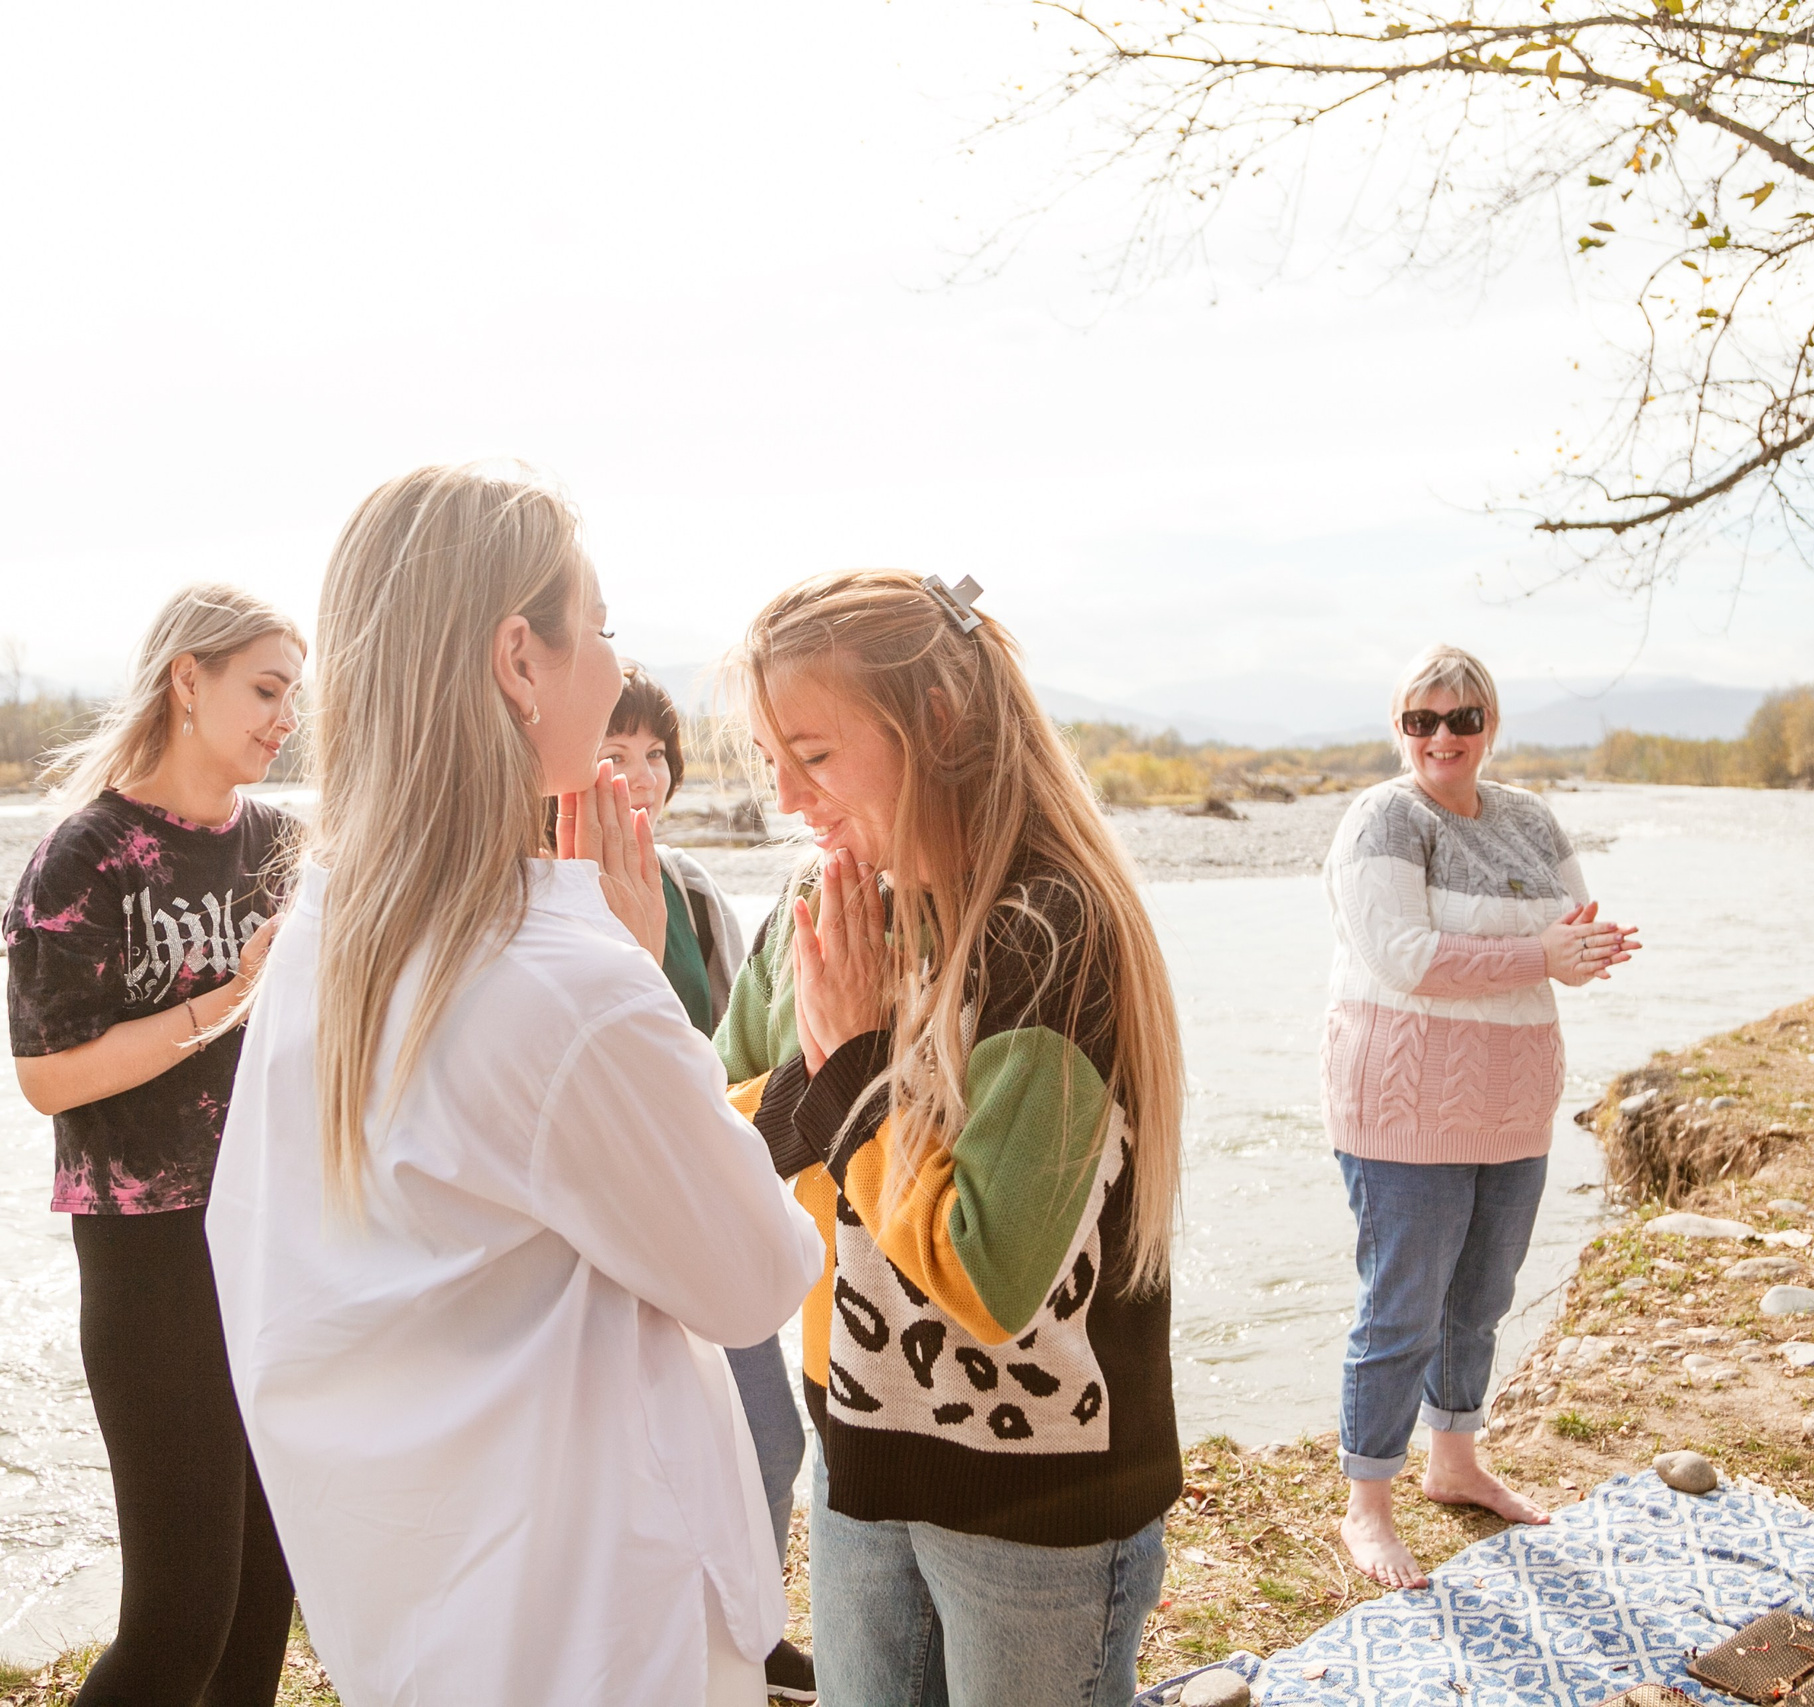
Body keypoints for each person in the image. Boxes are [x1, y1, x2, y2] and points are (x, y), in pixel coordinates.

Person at [203, 464, 823, 1707]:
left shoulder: (330, 929)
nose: (608, 666)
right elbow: (753, 1276)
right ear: (517, 662)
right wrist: (642, 981)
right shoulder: (556, 982)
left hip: (425, 1609)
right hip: (601, 1622)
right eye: (594, 631)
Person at [715, 569, 1186, 1707]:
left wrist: (851, 1076)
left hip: (1040, 1502)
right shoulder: (815, 911)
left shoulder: (1053, 932)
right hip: (858, 1445)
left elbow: (990, 1273)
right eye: (773, 759)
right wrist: (825, 1082)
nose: (786, 798)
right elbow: (724, 1132)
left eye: (814, 756)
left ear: (937, 723)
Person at [2, 583, 305, 1707]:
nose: (286, 718)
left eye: (293, 695)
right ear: (189, 679)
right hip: (149, 1257)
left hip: (273, 1243)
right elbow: (46, 1079)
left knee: (262, 1601)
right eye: (265, 689)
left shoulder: (282, 845)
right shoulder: (88, 857)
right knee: (178, 1621)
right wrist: (227, 1000)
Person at [1320, 643, 1638, 1590]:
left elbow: (1571, 930)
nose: (1442, 736)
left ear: (1490, 725)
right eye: (1422, 719)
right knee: (1401, 1305)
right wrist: (1539, 953)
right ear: (1400, 728)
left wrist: (1574, 952)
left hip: (1513, 1098)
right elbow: (1403, 955)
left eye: (1462, 718)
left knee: (1481, 1295)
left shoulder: (1532, 819)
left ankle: (1454, 1462)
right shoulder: (1382, 817)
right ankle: (1365, 1506)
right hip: (1402, 1100)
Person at [596, 664, 814, 1702]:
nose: (640, 778)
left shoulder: (684, 886)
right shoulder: (548, 889)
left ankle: (751, 1629)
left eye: (655, 757)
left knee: (768, 1432)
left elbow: (736, 1047)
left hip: (702, 1186)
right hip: (608, 1213)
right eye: (616, 753)